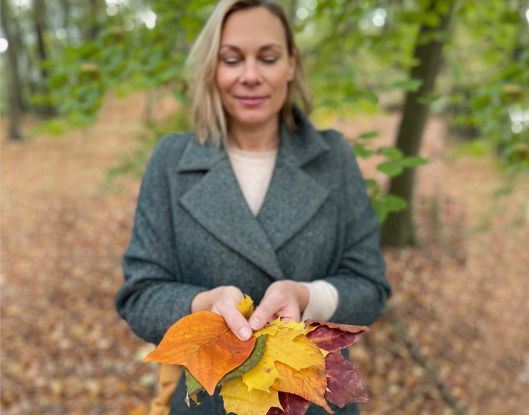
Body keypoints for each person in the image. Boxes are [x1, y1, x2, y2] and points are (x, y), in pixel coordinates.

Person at [115, 0, 391, 414]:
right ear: (213, 68)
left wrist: (306, 295)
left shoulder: (333, 157)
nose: (250, 76)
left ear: (291, 65)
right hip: (207, 402)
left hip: (314, 401)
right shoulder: (171, 161)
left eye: (267, 57)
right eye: (231, 59)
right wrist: (202, 306)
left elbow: (370, 287)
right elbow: (140, 295)